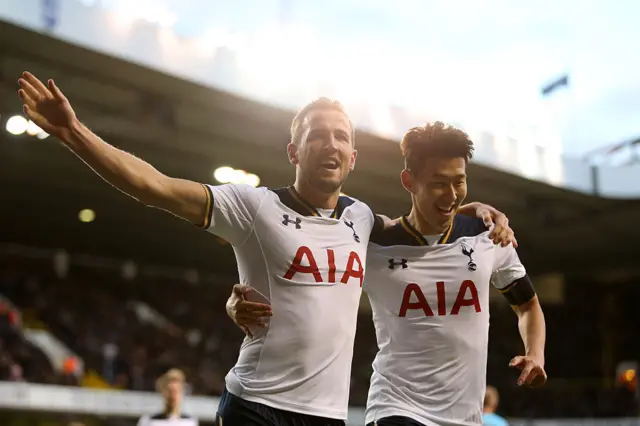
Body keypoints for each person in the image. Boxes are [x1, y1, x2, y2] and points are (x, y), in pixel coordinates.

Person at [17, 72, 514, 426]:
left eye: (341, 136)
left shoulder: (362, 219)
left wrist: (478, 211)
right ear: (294, 151)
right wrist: (74, 134)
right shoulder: (252, 206)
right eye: (317, 135)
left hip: (325, 416)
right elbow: (158, 187)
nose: (331, 144)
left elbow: (422, 226)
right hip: (255, 407)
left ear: (354, 157)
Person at [227, 122, 546, 426]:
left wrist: (535, 354)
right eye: (438, 183)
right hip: (396, 408)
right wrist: (237, 299)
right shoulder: (371, 241)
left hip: (465, 416)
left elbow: (527, 305)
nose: (451, 194)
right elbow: (303, 272)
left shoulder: (488, 235)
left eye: (459, 181)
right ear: (409, 181)